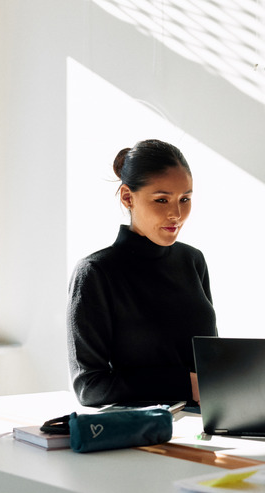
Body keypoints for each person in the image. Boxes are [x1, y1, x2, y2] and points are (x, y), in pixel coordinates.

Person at [67, 139, 217, 407]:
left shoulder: (193, 260)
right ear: (128, 197)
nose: (177, 214)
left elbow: (211, 361)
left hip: (208, 424)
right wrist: (186, 384)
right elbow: (89, 386)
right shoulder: (96, 272)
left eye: (185, 199)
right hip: (143, 432)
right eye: (162, 200)